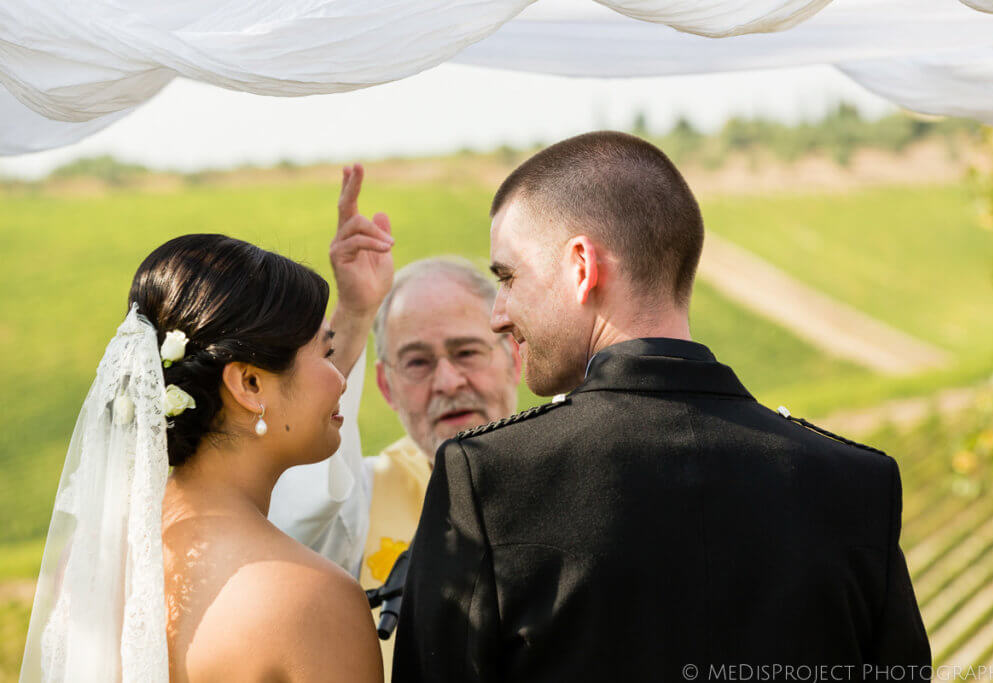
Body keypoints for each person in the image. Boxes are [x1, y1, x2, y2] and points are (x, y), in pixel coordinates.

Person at [393, 131, 932, 682]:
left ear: (581, 267)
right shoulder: (859, 483)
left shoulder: (487, 478)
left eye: (508, 277)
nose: (498, 313)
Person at [21, 234, 384, 683]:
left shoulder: (98, 558)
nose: (340, 380)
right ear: (249, 384)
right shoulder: (312, 599)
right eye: (326, 353)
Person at [268, 167, 522, 680]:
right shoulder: (357, 497)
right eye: (418, 363)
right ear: (385, 387)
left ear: (514, 356)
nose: (448, 381)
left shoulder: (572, 473)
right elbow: (294, 509)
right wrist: (355, 313)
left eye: (467, 351)